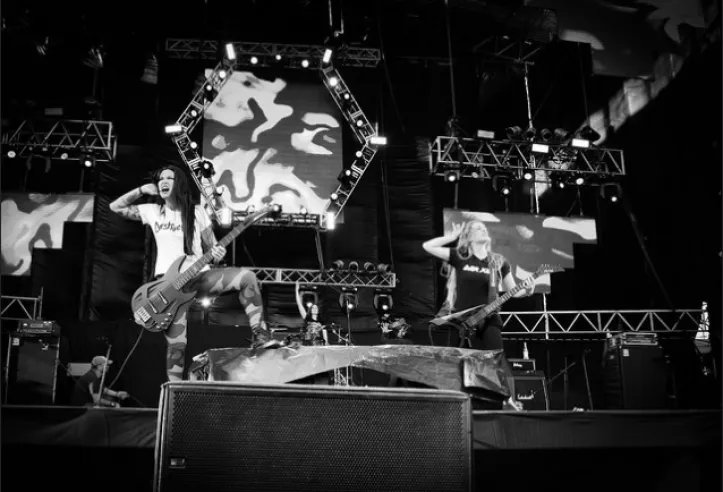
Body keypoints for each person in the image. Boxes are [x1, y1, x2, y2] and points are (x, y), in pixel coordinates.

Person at [110, 164, 280, 382]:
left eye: (169, 178)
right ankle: (174, 391)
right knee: (177, 345)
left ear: (179, 183)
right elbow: (116, 207)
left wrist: (217, 253)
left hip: (199, 277)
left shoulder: (197, 212)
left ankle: (259, 334)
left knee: (247, 278)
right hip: (168, 287)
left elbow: (212, 247)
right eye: (160, 178)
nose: (163, 182)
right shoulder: (153, 211)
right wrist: (142, 190)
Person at [423, 219, 535, 410]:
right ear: (468, 237)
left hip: (489, 318)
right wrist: (451, 237)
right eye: (477, 228)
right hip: (463, 321)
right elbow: (428, 246)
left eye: (484, 228)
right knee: (462, 364)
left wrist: (529, 290)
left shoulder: (498, 261)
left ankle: (506, 401)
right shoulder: (460, 257)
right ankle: (461, 405)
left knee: (496, 358)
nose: (483, 230)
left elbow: (514, 291)